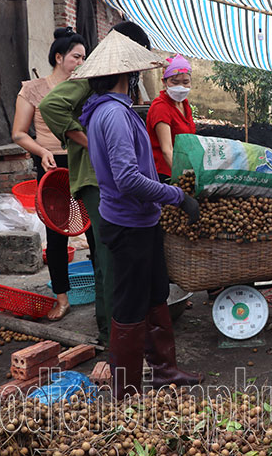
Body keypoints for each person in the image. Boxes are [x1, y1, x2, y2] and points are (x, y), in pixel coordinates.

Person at [76, 30, 202, 398]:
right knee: (130, 305)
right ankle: (126, 390)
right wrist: (176, 195)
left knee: (154, 294)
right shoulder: (113, 115)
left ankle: (165, 371)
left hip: (142, 221)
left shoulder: (114, 110)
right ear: (125, 76)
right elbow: (128, 179)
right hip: (128, 224)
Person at [40, 21, 150, 345]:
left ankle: (109, 331)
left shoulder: (110, 77)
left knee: (104, 260)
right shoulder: (96, 73)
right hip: (94, 179)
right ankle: (118, 339)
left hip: (100, 178)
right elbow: (51, 106)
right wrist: (90, 141)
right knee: (111, 258)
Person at [11, 27, 90, 321]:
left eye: (84, 57)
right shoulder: (32, 89)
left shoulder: (86, 87)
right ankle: (61, 298)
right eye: (76, 57)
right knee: (57, 235)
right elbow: (19, 133)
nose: (81, 63)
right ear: (59, 57)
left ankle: (106, 294)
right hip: (50, 167)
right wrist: (42, 151)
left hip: (82, 161)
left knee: (94, 229)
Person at [146, 54, 196, 183]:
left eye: (185, 82)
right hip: (165, 174)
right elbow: (166, 150)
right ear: (164, 82)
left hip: (183, 168)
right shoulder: (161, 107)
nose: (181, 87)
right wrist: (184, 180)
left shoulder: (184, 104)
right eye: (175, 82)